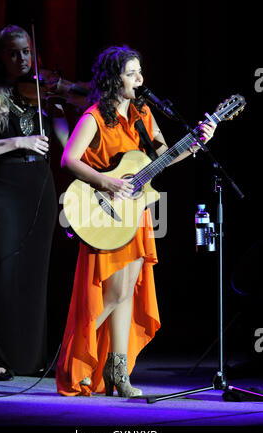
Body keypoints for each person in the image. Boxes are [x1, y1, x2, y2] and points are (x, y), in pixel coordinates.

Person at [56, 45, 216, 397]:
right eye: (131, 73)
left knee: (127, 292)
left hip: (137, 213)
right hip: (105, 210)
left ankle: (118, 374)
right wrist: (107, 181)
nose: (140, 79)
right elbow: (69, 159)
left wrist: (194, 144)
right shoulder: (95, 116)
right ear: (114, 79)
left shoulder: (144, 114)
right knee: (112, 292)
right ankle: (73, 359)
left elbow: (162, 158)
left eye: (140, 72)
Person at [0, 25, 68, 380]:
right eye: (13, 52)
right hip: (4, 188)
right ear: (0, 56)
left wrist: (71, 103)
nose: (22, 59)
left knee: (34, 274)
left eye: (26, 52)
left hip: (39, 188)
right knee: (2, 270)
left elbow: (69, 149)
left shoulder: (44, 95)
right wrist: (20, 142)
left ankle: (30, 359)